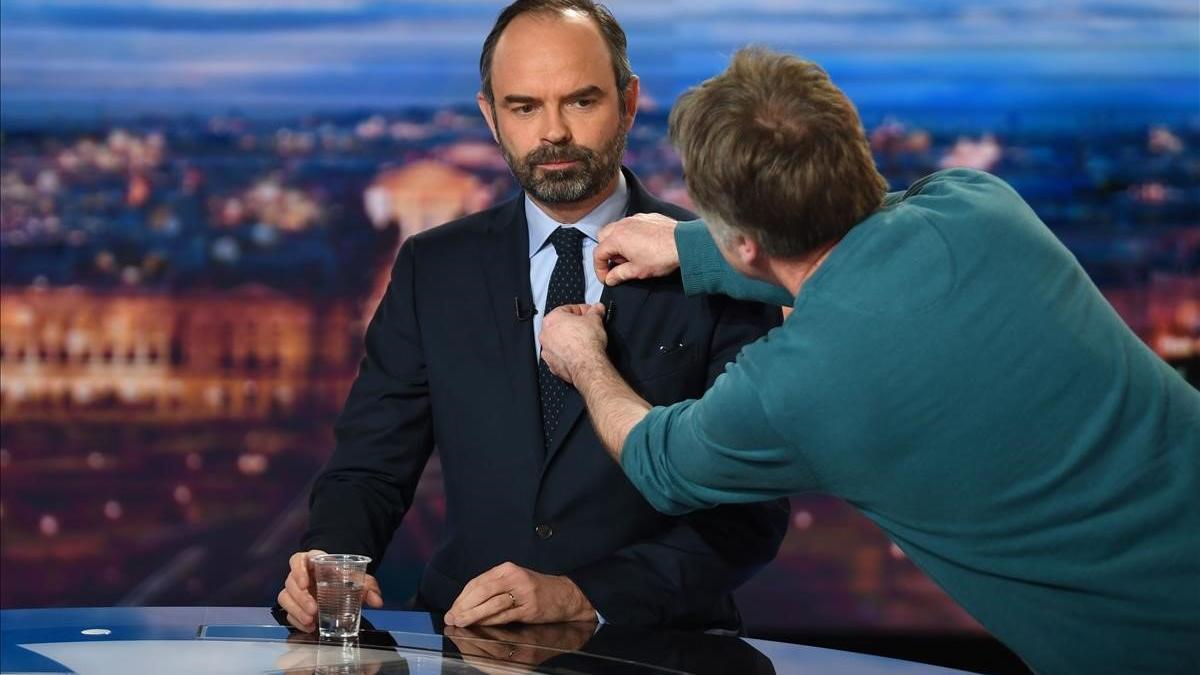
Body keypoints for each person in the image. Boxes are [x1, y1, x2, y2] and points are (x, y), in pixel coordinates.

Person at [539, 47, 1200, 675]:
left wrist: (585, 359)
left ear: (743, 242)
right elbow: (866, 236)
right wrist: (698, 246)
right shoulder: (981, 206)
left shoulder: (796, 387)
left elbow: (658, 460)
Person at [275, 1, 788, 634]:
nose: (553, 133)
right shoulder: (433, 267)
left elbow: (748, 509)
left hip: (660, 644)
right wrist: (328, 558)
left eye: (581, 101)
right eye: (524, 107)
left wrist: (582, 595)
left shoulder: (719, 264)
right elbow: (371, 464)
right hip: (466, 638)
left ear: (628, 103)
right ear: (490, 115)